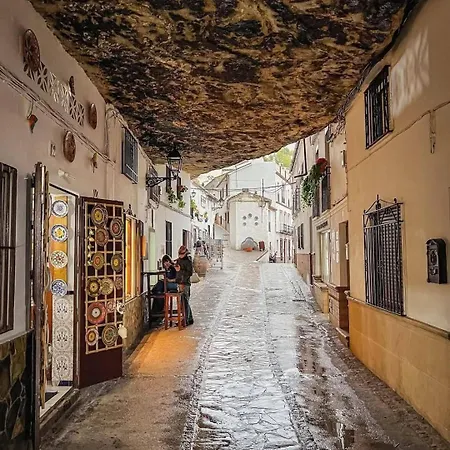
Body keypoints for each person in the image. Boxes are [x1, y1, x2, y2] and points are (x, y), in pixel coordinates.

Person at [174, 245, 194, 325]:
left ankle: (186, 320)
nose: (180, 255)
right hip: (180, 282)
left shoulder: (188, 261)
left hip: (185, 283)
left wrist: (180, 270)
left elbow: (190, 273)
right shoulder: (179, 260)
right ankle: (189, 319)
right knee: (183, 302)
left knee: (185, 302)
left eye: (182, 254)